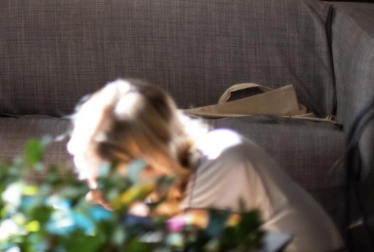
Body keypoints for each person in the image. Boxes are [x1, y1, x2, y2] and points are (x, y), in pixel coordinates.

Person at [67, 79, 343, 252]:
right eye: (91, 181)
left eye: (107, 183)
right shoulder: (191, 163)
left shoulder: (221, 165)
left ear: (153, 163)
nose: (96, 194)